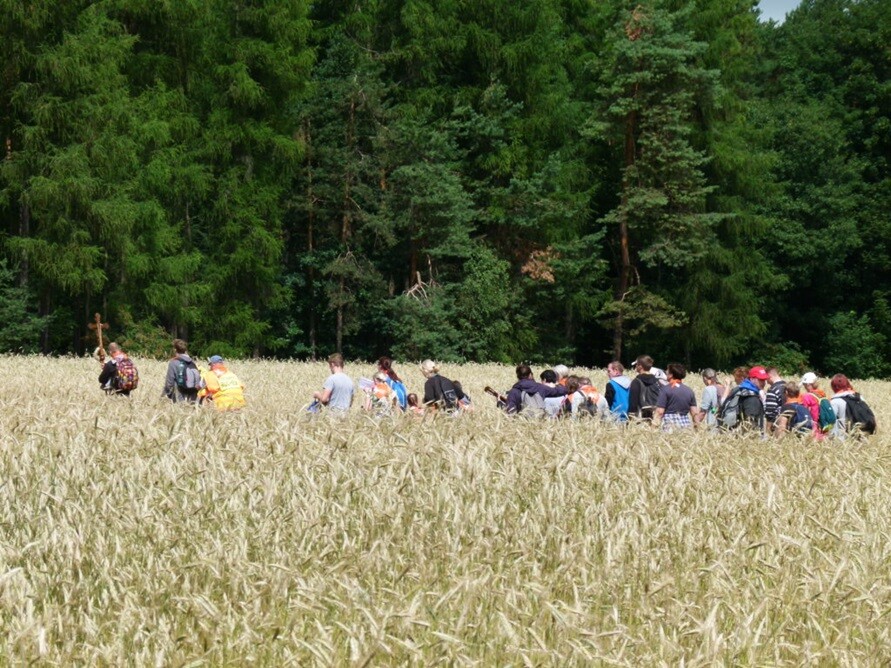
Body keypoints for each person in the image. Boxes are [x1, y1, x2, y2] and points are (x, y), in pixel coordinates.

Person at [720, 366, 768, 431]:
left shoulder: (739, 390)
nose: (764, 383)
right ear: (752, 379)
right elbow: (751, 425)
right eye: (761, 380)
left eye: (764, 380)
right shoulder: (751, 398)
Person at [653, 363, 699, 431]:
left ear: (671, 375)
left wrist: (653, 429)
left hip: (669, 426)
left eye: (667, 371)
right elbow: (694, 413)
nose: (666, 372)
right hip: (685, 427)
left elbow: (660, 412)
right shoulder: (689, 391)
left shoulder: (665, 390)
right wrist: (697, 429)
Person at [163, 338, 202, 403]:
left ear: (175, 349)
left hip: (180, 397)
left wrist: (168, 395)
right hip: (193, 397)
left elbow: (169, 383)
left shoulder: (173, 362)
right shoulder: (192, 362)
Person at [628, 355, 662, 421]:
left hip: (641, 416)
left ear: (640, 366)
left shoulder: (636, 381)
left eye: (636, 365)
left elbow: (633, 402)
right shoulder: (657, 381)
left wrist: (631, 418)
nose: (635, 367)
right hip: (655, 416)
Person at [800, 371, 829, 440]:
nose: (804, 387)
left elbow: (803, 412)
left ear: (808, 384)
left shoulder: (807, 396)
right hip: (824, 425)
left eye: (804, 385)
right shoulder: (822, 394)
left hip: (813, 427)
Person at [829, 374, 857, 439]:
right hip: (859, 437)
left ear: (833, 386)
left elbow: (830, 421)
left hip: (841, 439)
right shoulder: (859, 397)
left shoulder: (835, 401)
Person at [764, 367, 786, 431]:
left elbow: (770, 411)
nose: (766, 382)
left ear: (769, 376)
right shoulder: (788, 386)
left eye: (766, 379)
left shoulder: (772, 389)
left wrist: (768, 429)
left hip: (777, 425)